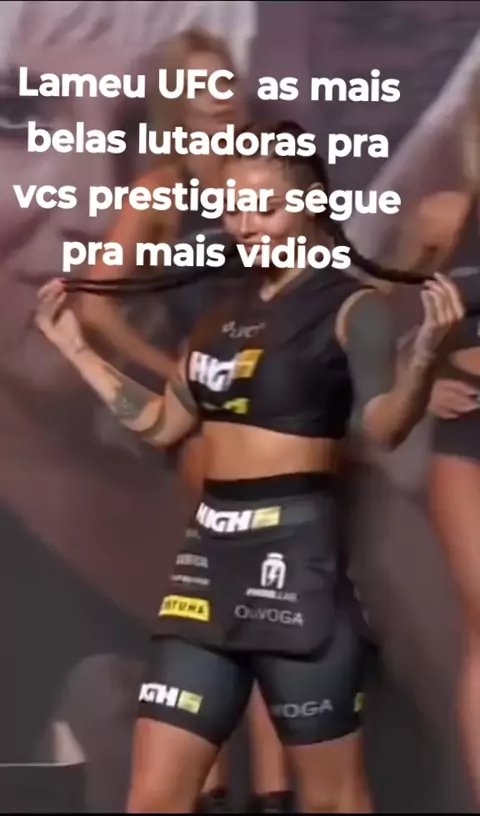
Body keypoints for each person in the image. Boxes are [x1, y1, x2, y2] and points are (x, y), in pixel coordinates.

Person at [35, 120, 464, 813]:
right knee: (154, 796)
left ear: (310, 203)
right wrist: (78, 351)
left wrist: (420, 363)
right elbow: (166, 423)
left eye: (264, 207)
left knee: (330, 800)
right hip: (206, 567)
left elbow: (383, 429)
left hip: (296, 566)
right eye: (233, 209)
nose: (245, 225)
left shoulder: (349, 307)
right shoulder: (221, 315)